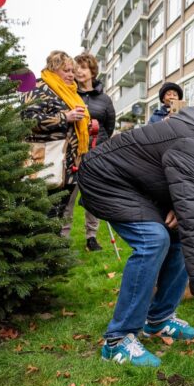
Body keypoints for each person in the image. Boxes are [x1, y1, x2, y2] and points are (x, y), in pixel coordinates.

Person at [77, 105, 194, 367]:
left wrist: (182, 206)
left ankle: (158, 319)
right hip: (105, 177)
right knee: (153, 240)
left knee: (178, 234)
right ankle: (118, 340)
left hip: (138, 185)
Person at [21, 50, 90, 220]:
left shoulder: (70, 93)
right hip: (45, 162)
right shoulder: (38, 87)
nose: (71, 75)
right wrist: (64, 117)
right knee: (42, 214)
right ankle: (41, 246)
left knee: (59, 214)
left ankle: (54, 245)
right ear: (53, 68)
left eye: (73, 71)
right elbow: (29, 120)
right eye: (66, 70)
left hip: (69, 167)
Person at [57, 53, 116, 251]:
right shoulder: (68, 94)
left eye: (82, 67)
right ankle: (63, 237)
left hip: (97, 154)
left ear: (92, 71)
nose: (78, 72)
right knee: (69, 197)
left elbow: (110, 126)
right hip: (73, 153)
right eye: (75, 68)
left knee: (92, 195)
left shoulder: (105, 100)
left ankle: (91, 237)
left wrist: (101, 146)